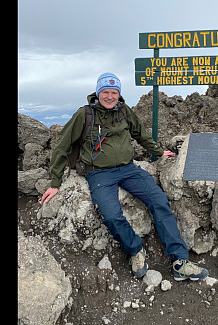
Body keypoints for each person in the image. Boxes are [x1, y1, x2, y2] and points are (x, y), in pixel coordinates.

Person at [40, 72, 209, 282]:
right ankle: (135, 251)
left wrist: (157, 151)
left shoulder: (123, 111)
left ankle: (180, 261)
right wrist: (55, 182)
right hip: (99, 173)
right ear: (98, 92)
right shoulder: (84, 115)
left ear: (119, 94)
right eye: (105, 92)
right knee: (111, 215)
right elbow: (62, 146)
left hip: (129, 169)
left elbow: (140, 132)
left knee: (159, 201)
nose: (110, 97)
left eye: (114, 92)